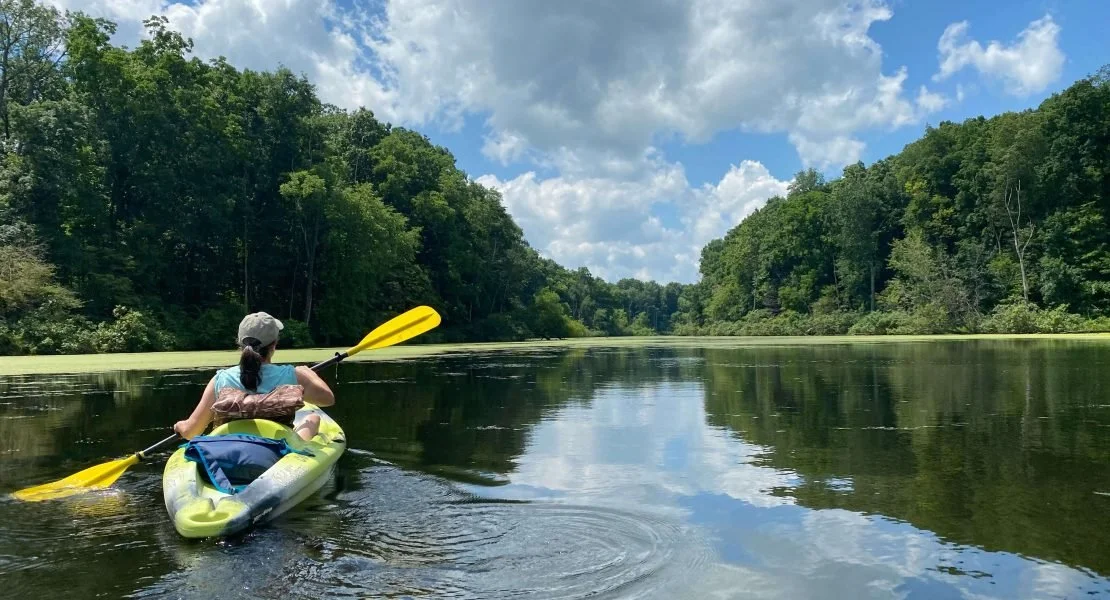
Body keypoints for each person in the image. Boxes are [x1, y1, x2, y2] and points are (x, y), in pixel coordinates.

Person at [174, 312, 335, 442]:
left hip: (229, 453)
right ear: (274, 345)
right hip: (277, 452)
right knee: (313, 417)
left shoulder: (220, 380)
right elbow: (328, 399)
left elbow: (191, 432)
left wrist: (181, 426)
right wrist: (309, 374)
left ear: (240, 344)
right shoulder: (292, 375)